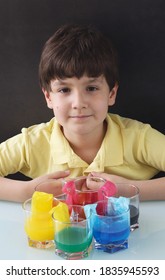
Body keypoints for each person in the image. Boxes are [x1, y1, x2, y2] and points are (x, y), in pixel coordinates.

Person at [0, 23, 165, 202]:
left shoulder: (139, 139)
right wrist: (28, 192)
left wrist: (128, 190)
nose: (78, 103)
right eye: (64, 90)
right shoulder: (31, 143)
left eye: (92, 88)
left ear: (111, 94)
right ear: (49, 97)